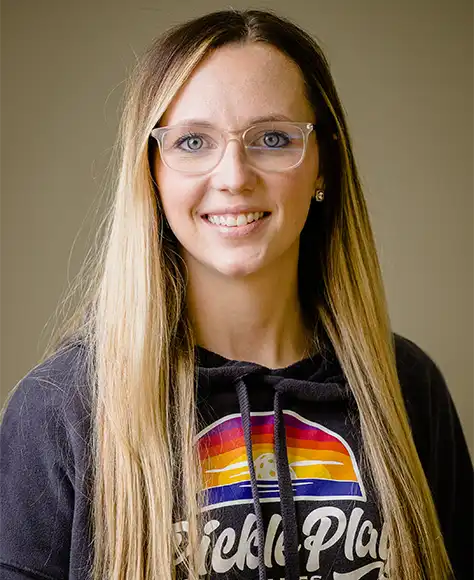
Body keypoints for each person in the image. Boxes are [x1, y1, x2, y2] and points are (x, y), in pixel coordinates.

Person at [0, 8, 472, 580]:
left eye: (272, 138)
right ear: (151, 173)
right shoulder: (61, 407)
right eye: (193, 141)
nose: (233, 175)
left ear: (324, 165)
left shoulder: (406, 388)